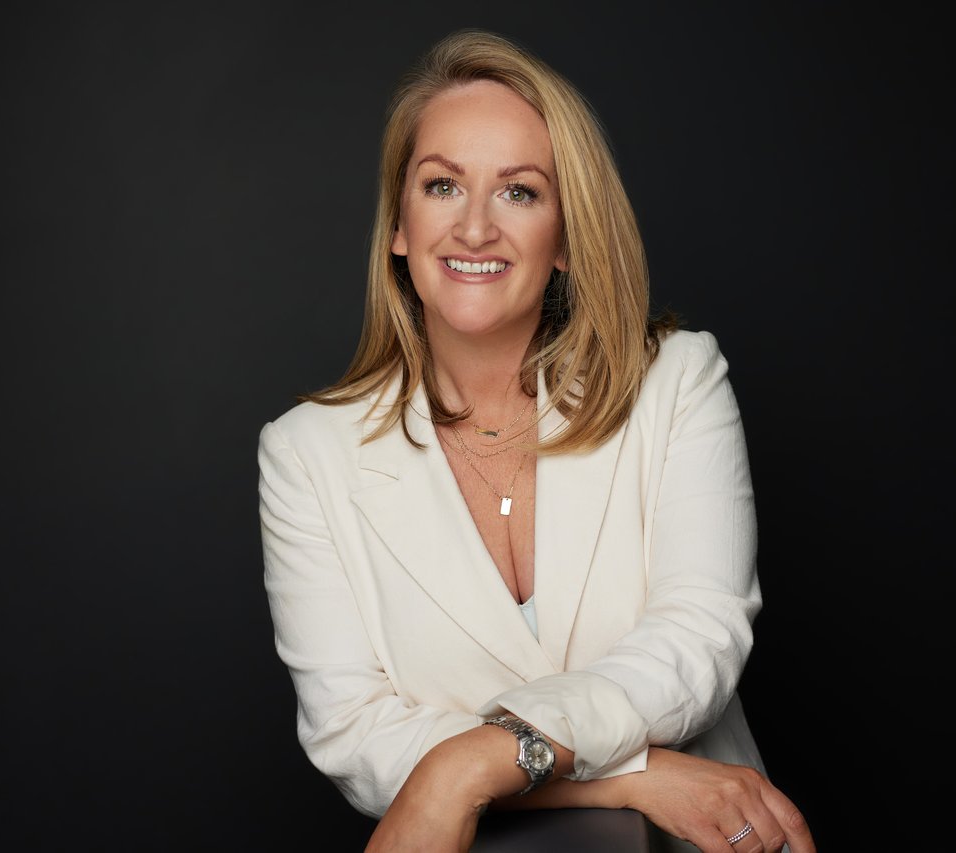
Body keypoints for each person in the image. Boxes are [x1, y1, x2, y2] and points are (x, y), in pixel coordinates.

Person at [257, 28, 816, 853]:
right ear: (400, 225)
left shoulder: (677, 382)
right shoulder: (307, 454)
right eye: (442, 185)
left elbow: (697, 638)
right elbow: (355, 731)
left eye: (519, 192)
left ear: (565, 238)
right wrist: (634, 775)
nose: (474, 227)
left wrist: (467, 765)